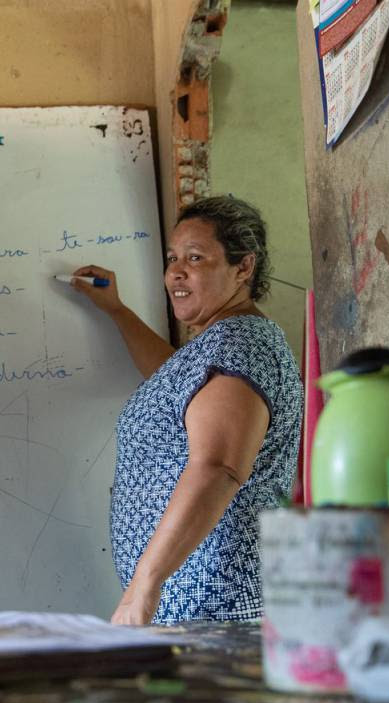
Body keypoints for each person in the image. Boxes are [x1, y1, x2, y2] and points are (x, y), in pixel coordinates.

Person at [69, 195, 302, 625]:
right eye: (173, 257)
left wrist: (145, 584)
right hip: (196, 604)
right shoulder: (219, 346)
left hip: (222, 606)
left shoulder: (241, 344)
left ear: (243, 267)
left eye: (196, 258)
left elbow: (217, 468)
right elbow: (170, 379)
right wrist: (118, 311)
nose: (176, 271)